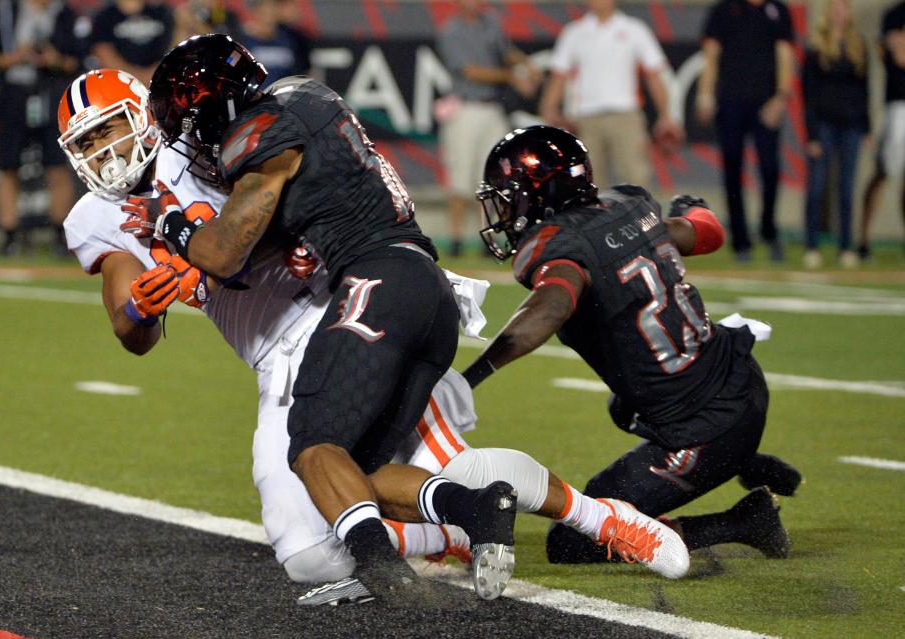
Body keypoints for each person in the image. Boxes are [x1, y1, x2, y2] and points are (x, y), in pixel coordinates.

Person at [57, 69, 690, 606]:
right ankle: (460, 523)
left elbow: (280, 211)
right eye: (84, 143)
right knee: (310, 553)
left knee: (401, 463)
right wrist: (139, 311)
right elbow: (127, 325)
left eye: (108, 129)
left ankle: (602, 518)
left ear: (145, 115)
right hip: (275, 361)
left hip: (341, 307)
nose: (101, 152)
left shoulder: (200, 150)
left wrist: (289, 245)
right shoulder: (94, 217)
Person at [463, 125, 799, 565]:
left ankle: (744, 521)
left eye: (509, 195)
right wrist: (692, 209)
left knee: (575, 541)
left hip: (704, 426)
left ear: (536, 191)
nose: (504, 209)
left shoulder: (560, 245)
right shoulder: (627, 205)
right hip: (739, 378)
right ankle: (741, 459)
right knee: (624, 405)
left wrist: (469, 379)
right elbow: (707, 232)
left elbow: (550, 307)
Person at [538, 0, 683, 192]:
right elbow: (558, 76)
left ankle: (642, 221)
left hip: (626, 116)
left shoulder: (634, 29)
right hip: (585, 119)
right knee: (588, 183)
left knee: (637, 179)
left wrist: (666, 115)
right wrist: (547, 110)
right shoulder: (574, 32)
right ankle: (595, 223)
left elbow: (654, 74)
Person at [436, 0, 539, 257]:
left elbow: (507, 52)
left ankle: (489, 235)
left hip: (492, 107)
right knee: (460, 176)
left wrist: (527, 65)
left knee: (494, 175)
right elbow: (470, 72)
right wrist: (513, 76)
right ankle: (456, 237)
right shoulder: (452, 30)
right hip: (466, 107)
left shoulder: (490, 24)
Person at [696, 0, 795, 263]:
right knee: (732, 169)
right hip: (731, 102)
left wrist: (781, 98)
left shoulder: (777, 10)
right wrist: (705, 94)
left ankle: (768, 230)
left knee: (771, 169)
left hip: (766, 103)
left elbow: (785, 56)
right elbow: (711, 55)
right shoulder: (724, 9)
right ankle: (740, 240)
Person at [0, 0, 83, 256]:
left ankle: (61, 233)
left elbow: (77, 60)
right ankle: (9, 234)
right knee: (8, 166)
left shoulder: (64, 13)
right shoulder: (7, 10)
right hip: (14, 96)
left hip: (52, 92)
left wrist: (54, 59)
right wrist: (20, 55)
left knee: (57, 166)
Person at [801, 0, 869, 270]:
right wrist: (812, 134)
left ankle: (845, 247)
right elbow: (809, 94)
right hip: (824, 125)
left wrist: (866, 126)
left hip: (851, 125)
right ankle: (812, 245)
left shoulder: (858, 46)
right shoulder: (816, 47)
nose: (840, 14)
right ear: (828, 13)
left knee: (847, 188)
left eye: (845, 9)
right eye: (836, 9)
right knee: (817, 187)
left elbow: (864, 89)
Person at [857, 1, 905, 262]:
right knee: (883, 173)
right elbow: (897, 57)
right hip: (898, 107)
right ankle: (863, 240)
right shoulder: (894, 14)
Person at [90, 0, 173, 85]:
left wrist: (154, 75)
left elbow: (174, 47)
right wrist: (132, 78)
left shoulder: (162, 12)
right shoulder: (104, 16)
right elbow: (102, 51)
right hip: (119, 82)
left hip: (160, 80)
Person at [239, 0, 311, 87]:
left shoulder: (292, 38)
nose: (269, 11)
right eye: (263, 7)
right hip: (253, 96)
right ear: (254, 10)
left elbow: (303, 72)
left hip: (284, 96)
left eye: (273, 7)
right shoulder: (241, 39)